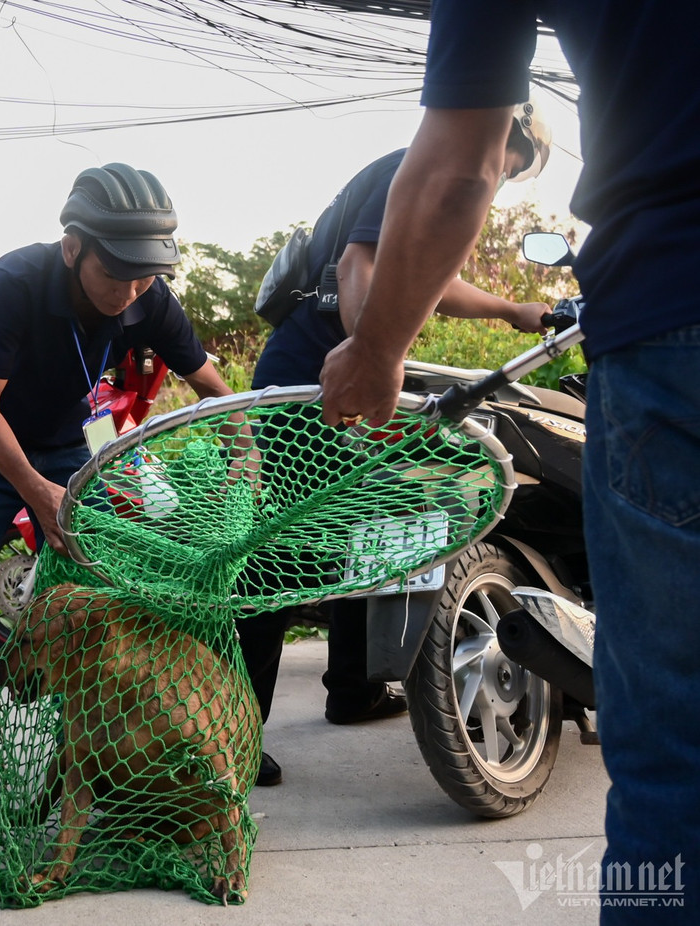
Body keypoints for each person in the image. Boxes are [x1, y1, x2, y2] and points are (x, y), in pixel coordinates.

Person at [316, 4, 700, 920]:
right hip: (332, 362)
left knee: (672, 754)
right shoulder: (369, 198)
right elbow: (397, 239)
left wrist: (375, 354)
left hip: (665, 317)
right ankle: (344, 685)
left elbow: (456, 167)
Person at [0, 163, 235, 814]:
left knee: (90, 590)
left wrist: (247, 455)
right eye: (115, 272)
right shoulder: (15, 284)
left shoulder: (147, 294)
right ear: (73, 248)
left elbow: (215, 390)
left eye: (145, 274)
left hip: (69, 439)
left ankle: (89, 747)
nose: (130, 290)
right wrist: (36, 489)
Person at [247, 119, 553, 786]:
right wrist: (375, 362)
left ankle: (353, 689)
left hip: (344, 365)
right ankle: (235, 734)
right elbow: (361, 265)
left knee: (370, 522)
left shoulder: (431, 189)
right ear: (494, 131)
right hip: (314, 369)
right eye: (508, 160)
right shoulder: (414, 167)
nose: (500, 177)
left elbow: (426, 282)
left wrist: (509, 309)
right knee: (286, 547)